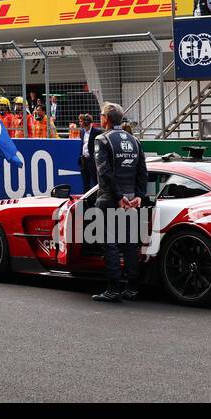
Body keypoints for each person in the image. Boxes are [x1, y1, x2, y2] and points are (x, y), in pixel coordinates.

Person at [91, 103, 148, 303]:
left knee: (110, 244)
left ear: (106, 119)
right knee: (130, 244)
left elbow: (104, 172)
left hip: (109, 199)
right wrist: (138, 195)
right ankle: (132, 289)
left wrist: (117, 197)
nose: (100, 118)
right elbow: (143, 172)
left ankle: (114, 290)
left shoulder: (102, 139)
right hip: (131, 199)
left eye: (101, 115)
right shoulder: (135, 140)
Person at [77, 114, 98, 192]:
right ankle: (87, 202)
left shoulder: (97, 132)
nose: (80, 123)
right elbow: (83, 145)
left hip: (92, 161)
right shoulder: (82, 132)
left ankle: (96, 200)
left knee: (95, 182)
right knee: (85, 183)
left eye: (81, 121)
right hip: (84, 160)